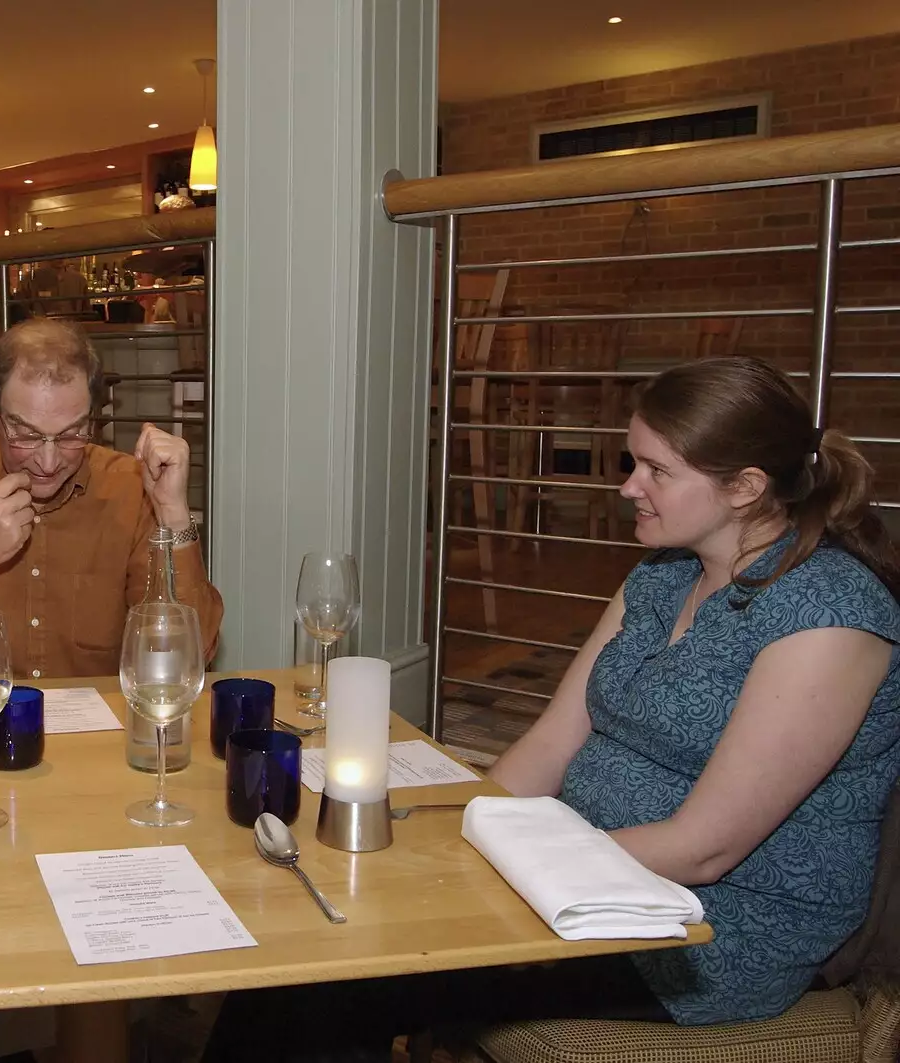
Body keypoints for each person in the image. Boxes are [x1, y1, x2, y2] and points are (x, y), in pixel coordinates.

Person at [204, 356, 900, 1061]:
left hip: (704, 935)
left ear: (746, 488)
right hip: (575, 872)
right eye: (634, 462)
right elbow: (548, 744)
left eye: (656, 471)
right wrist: (464, 839)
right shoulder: (663, 574)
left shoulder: (828, 619)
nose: (629, 486)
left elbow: (705, 848)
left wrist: (498, 868)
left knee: (334, 985)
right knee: (308, 953)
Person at [0, 316, 223, 678]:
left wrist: (173, 514)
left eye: (71, 434)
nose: (48, 462)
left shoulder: (132, 488)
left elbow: (190, 657)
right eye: (26, 434)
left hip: (98, 732)